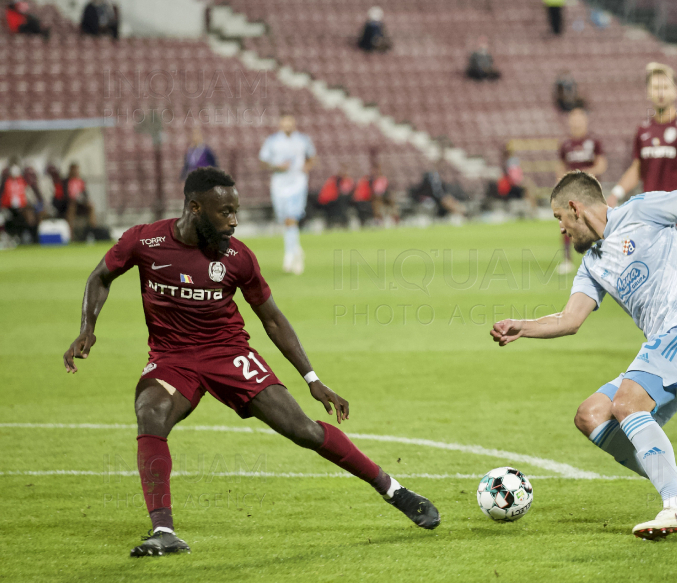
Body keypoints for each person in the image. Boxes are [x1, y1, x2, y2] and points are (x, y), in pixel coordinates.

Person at [62, 167, 441, 558]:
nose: (234, 220)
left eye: (236, 210)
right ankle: (163, 531)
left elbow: (272, 318)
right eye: (224, 212)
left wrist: (312, 377)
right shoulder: (146, 240)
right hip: (172, 358)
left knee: (304, 431)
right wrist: (87, 328)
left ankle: (394, 490)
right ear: (194, 208)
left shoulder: (238, 257)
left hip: (229, 354)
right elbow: (100, 277)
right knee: (150, 413)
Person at [490, 171, 677, 540]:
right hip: (667, 346)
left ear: (575, 208)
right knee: (591, 415)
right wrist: (522, 326)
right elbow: (570, 319)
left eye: (560, 219)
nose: (561, 231)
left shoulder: (644, 209)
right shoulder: (593, 264)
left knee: (626, 403)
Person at [609, 62, 677, 243]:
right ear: (648, 92)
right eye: (656, 88)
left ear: (675, 90)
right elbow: (637, 168)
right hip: (649, 211)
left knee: (655, 264)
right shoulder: (643, 130)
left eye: (665, 87)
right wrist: (615, 193)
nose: (661, 92)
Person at [259, 112, 316, 274]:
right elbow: (263, 161)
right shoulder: (273, 141)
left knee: (292, 218)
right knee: (285, 220)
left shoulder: (303, 140)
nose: (287, 126)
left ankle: (289, 255)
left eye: (290, 122)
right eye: (285, 123)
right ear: (280, 124)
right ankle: (297, 250)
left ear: (294, 123)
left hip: (298, 183)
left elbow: (312, 157)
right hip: (278, 184)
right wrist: (276, 167)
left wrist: (307, 167)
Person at [556, 108, 606, 274]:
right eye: (573, 119)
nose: (576, 123)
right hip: (571, 191)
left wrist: (583, 175)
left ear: (585, 121)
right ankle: (567, 260)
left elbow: (601, 165)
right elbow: (560, 167)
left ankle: (602, 258)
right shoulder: (565, 144)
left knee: (596, 223)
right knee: (567, 222)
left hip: (589, 190)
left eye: (579, 119)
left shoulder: (594, 142)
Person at [0, 159, 44, 243]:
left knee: (32, 214)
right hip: (8, 207)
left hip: (21, 207)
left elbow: (31, 193)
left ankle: (34, 238)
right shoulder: (5, 181)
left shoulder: (22, 180)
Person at [54, 162, 98, 231]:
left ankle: (93, 230)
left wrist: (85, 201)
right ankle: (70, 232)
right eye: (74, 169)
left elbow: (85, 194)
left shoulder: (81, 181)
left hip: (80, 203)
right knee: (72, 206)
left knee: (91, 206)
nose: (75, 171)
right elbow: (61, 196)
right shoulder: (64, 182)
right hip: (67, 204)